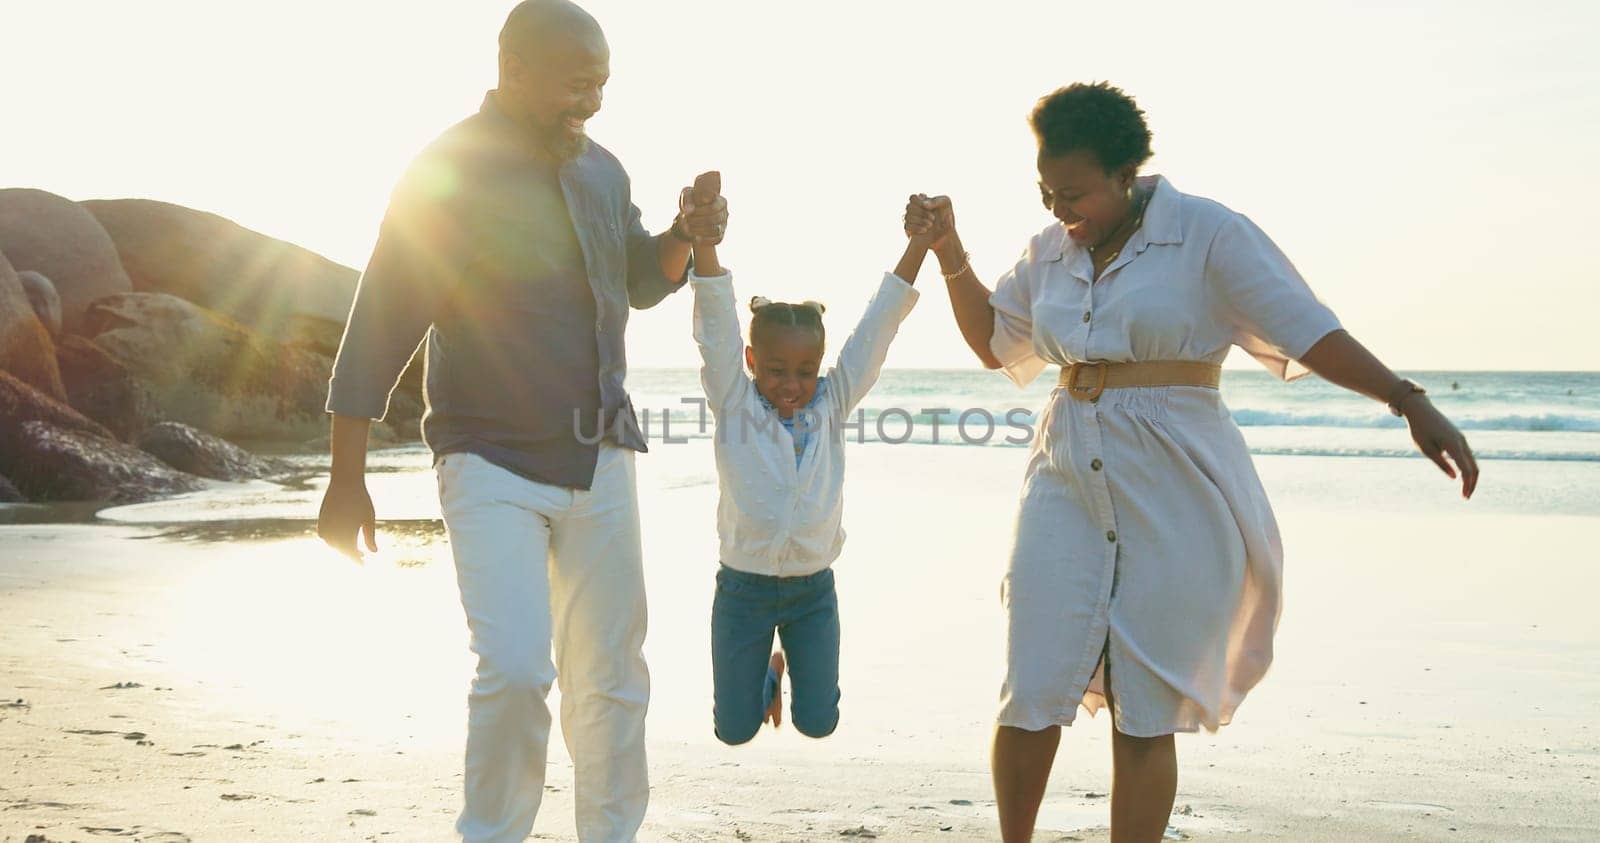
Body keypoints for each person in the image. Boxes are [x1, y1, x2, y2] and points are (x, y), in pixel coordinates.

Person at [905, 81, 1479, 843]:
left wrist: (1406, 399)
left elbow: (1309, 331)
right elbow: (992, 342)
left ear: (1125, 173)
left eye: (1072, 191)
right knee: (1033, 681)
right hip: (1065, 473)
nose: (1056, 207)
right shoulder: (1049, 251)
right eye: (1045, 189)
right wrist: (951, 253)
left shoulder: (1208, 234)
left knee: (1146, 706)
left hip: (1174, 481)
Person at [315, 2, 727, 840]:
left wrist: (683, 235)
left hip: (602, 454)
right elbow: (381, 319)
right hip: (487, 456)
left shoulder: (605, 171)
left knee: (612, 678)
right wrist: (347, 476)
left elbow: (640, 280)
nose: (595, 102)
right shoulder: (447, 170)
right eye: (579, 84)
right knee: (511, 669)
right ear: (513, 67)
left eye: (604, 85)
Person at [686, 187, 926, 745]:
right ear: (751, 362)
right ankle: (769, 670)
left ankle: (787, 666)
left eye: (805, 370)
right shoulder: (734, 401)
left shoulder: (832, 402)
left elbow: (877, 328)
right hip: (743, 591)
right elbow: (716, 327)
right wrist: (704, 242)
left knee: (818, 723)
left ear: (820, 366)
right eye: (775, 370)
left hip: (812, 590)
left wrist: (917, 246)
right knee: (734, 731)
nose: (791, 385)